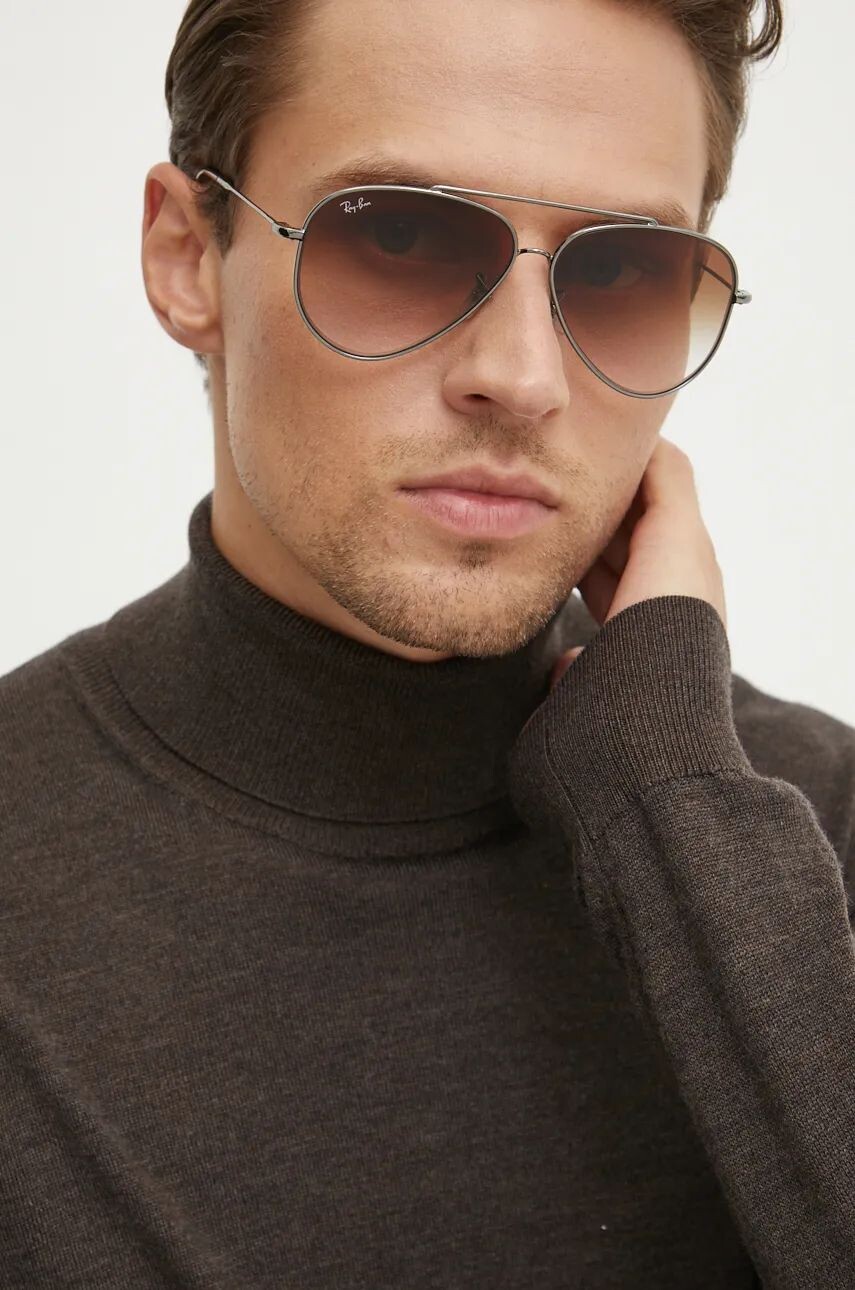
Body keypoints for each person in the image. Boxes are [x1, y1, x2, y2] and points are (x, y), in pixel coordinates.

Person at [2, 0, 853, 1285]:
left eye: (621, 268)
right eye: (397, 234)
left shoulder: (816, 839)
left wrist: (675, 808)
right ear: (187, 259)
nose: (523, 378)